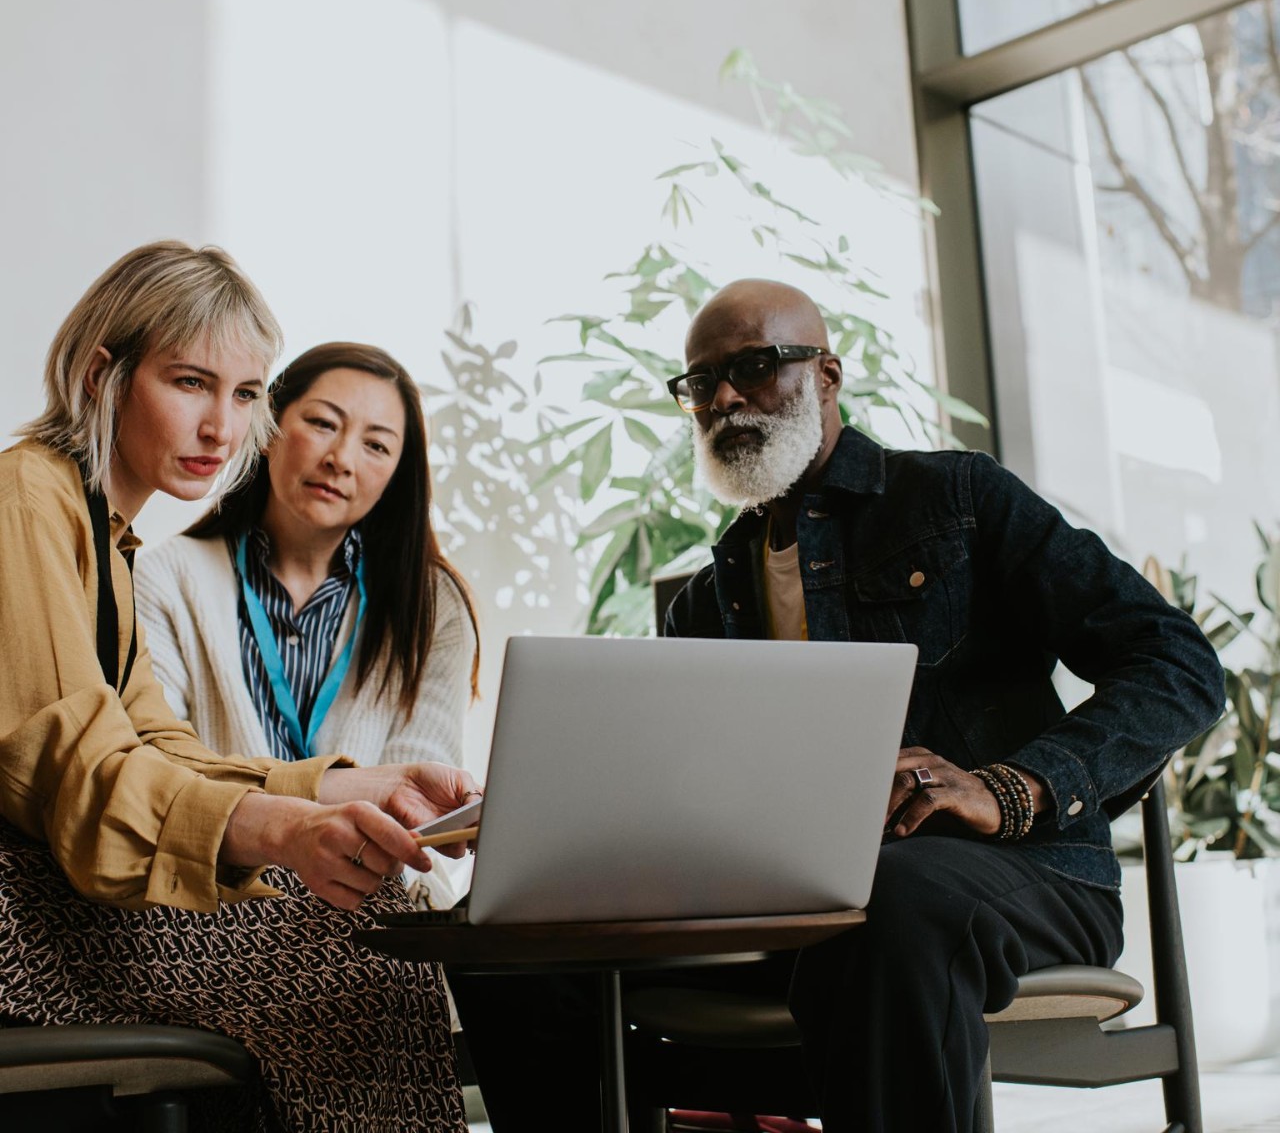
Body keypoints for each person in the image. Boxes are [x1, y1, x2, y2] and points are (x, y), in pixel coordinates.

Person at [452, 278, 1224, 1133]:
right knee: (505, 939)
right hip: (794, 911)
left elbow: (1179, 665)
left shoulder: (959, 501)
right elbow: (692, 795)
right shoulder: (705, 602)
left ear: (827, 374)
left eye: (754, 365)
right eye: (701, 383)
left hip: (1020, 881)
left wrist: (1011, 788)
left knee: (887, 905)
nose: (726, 397)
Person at [0, 241, 479, 1133]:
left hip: (52, 899)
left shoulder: (105, 533)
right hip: (15, 920)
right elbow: (82, 778)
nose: (222, 429)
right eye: (190, 384)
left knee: (346, 922)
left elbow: (160, 750)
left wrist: (356, 786)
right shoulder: (27, 500)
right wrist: (287, 829)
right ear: (104, 374)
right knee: (348, 943)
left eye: (246, 393)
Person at [134, 342, 480, 908]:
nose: (341, 458)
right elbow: (163, 775)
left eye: (375, 445)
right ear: (268, 428)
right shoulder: (165, 579)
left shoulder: (433, 605)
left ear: (396, 473)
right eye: (322, 424)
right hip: (212, 903)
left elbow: (422, 821)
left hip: (373, 905)